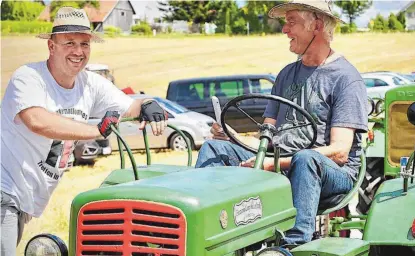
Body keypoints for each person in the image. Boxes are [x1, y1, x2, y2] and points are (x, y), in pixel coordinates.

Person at [195, 0, 367, 245]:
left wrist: (272, 163)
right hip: (281, 159)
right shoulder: (286, 74)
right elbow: (266, 138)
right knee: (215, 149)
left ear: (317, 25)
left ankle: (292, 244)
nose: (285, 30)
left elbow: (339, 152)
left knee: (306, 158)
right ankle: (204, 232)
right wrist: (233, 136)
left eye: (292, 22)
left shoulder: (346, 79)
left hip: (330, 172)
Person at [0, 7, 168, 254]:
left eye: (84, 44)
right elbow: (36, 120)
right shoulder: (28, 77)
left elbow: (128, 105)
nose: (78, 51)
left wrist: (148, 104)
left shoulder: (89, 83)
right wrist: (96, 131)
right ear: (51, 46)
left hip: (24, 200)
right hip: (5, 191)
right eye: (69, 43)